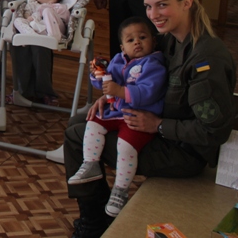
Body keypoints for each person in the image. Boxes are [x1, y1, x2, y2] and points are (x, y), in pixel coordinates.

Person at [64, 0, 236, 237]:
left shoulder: (205, 59)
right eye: (148, 6)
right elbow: (136, 74)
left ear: (187, 3)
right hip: (153, 124)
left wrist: (158, 125)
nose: (153, 14)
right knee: (80, 120)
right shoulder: (168, 39)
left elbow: (213, 132)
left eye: (162, 5)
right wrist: (109, 96)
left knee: (76, 135)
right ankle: (100, 212)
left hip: (182, 152)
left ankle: (93, 223)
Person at [68, 17, 167, 217]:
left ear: (154, 41)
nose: (137, 42)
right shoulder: (119, 60)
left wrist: (119, 91)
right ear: (123, 47)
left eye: (142, 37)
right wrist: (97, 75)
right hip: (116, 111)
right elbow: (107, 84)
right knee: (93, 122)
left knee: (125, 146)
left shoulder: (154, 64)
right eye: (130, 40)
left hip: (138, 117)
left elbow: (148, 92)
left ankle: (120, 191)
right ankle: (90, 164)